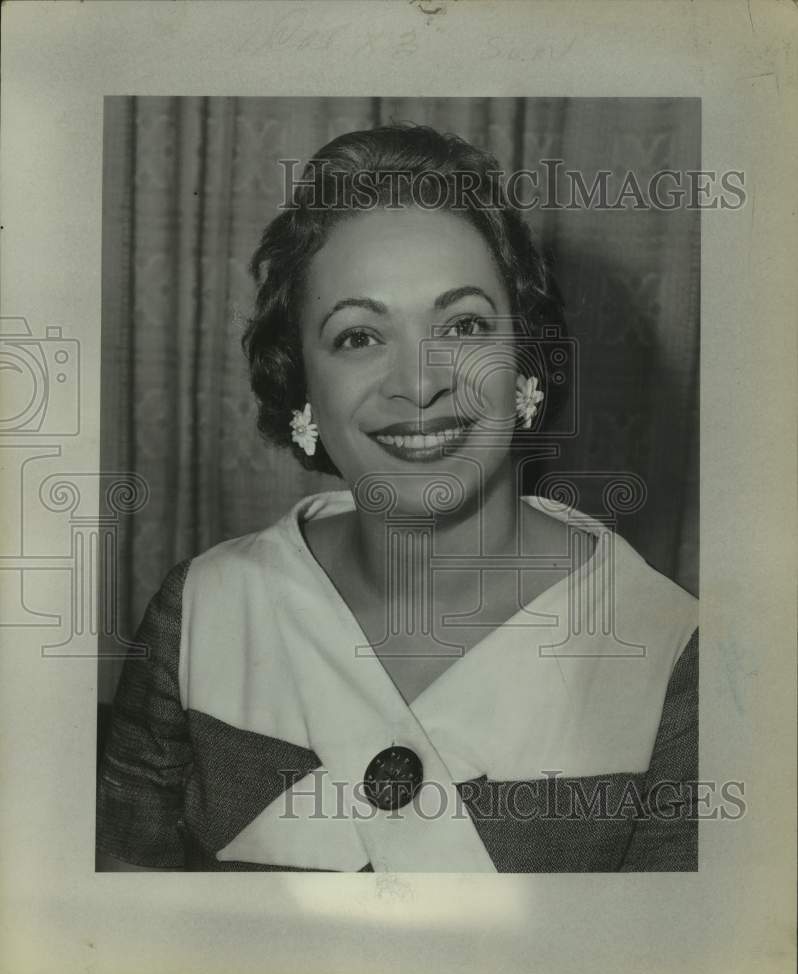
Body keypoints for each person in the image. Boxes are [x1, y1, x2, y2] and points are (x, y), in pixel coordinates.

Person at [96, 123, 698, 873]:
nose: (419, 384)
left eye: (464, 325)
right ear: (301, 388)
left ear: (526, 367)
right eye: (358, 336)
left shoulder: (676, 657)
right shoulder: (201, 607)